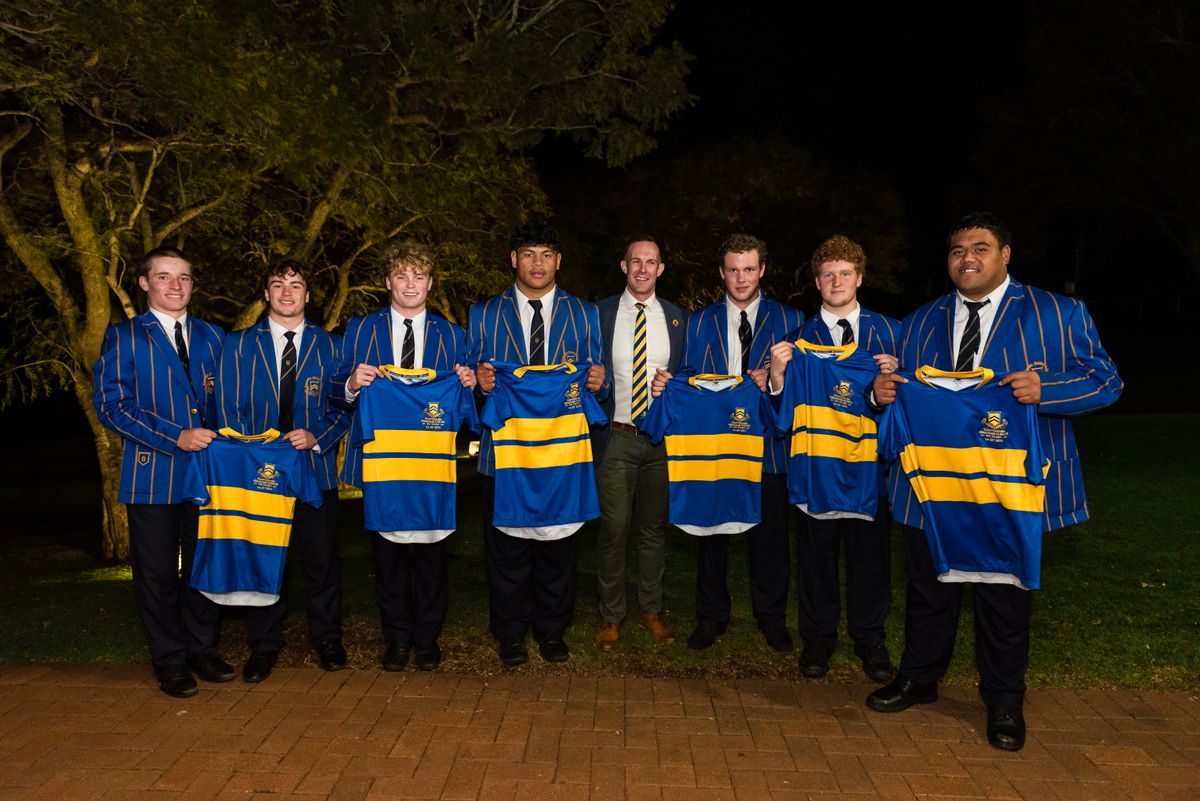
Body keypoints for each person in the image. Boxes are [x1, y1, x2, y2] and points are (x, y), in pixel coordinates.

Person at [865, 212, 1122, 751]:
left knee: (1003, 594)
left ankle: (1004, 699)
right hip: (933, 486)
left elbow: (1105, 381)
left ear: (1006, 254)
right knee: (929, 587)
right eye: (958, 250)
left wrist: (1046, 390)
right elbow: (898, 390)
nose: (968, 258)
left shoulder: (1058, 312)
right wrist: (878, 394)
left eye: (980, 248)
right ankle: (919, 677)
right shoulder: (921, 320)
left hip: (1009, 487)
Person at [93, 247, 231, 698]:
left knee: (204, 567)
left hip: (207, 474)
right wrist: (175, 436)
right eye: (164, 276)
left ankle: (202, 649)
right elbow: (112, 406)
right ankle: (170, 661)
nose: (176, 285)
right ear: (144, 283)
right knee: (156, 575)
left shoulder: (213, 336)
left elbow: (229, 404)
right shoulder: (125, 336)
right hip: (152, 474)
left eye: (184, 277)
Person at [466, 221, 606, 667]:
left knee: (557, 548)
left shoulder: (584, 313)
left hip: (562, 454)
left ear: (558, 261)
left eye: (546, 254)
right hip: (504, 452)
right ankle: (510, 632)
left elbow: (597, 380)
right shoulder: (484, 314)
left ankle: (551, 630)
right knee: (506, 549)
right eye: (528, 254)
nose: (538, 263)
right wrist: (481, 385)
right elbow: (468, 381)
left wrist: (599, 382)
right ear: (514, 259)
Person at [654, 234, 803, 652]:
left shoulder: (792, 319)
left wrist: (775, 381)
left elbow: (803, 386)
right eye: (733, 270)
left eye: (749, 269)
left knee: (770, 540)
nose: (741, 278)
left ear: (762, 270)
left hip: (769, 445)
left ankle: (771, 618)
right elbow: (689, 374)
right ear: (722, 272)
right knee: (711, 537)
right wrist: (672, 384)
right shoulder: (699, 321)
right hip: (715, 446)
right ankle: (710, 616)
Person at [333, 240, 476, 672]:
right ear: (387, 282)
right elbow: (334, 389)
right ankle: (396, 639)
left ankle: (427, 639)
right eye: (401, 276)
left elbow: (467, 410)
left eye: (418, 276)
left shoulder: (453, 335)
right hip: (384, 465)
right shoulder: (360, 329)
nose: (410, 284)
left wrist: (468, 384)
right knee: (388, 559)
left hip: (431, 467)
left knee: (432, 559)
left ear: (430, 283)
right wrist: (351, 384)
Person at [768, 235, 900, 682]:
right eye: (828, 275)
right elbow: (779, 418)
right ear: (817, 282)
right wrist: (779, 376)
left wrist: (895, 378)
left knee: (870, 560)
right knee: (816, 559)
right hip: (817, 467)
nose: (837, 282)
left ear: (859, 278)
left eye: (845, 273)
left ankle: (870, 638)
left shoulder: (892, 333)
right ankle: (818, 638)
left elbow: (911, 405)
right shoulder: (796, 341)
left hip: (871, 470)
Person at [217, 258, 351, 682]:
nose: (287, 292)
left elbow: (345, 408)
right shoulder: (238, 344)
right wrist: (252, 451)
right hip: (260, 473)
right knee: (265, 558)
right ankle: (263, 644)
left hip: (314, 468)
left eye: (295, 285)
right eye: (278, 284)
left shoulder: (333, 346)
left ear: (308, 294)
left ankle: (327, 638)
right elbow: (227, 409)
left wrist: (316, 436)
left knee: (321, 561)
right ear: (266, 294)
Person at [593, 237, 687, 651]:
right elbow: (589, 372)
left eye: (651, 262)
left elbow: (689, 374)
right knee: (614, 528)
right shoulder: (600, 314)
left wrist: (675, 385)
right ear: (624, 266)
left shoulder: (678, 318)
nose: (643, 269)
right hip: (617, 436)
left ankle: (650, 609)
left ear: (661, 268)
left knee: (653, 530)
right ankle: (611, 614)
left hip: (660, 442)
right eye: (636, 262)